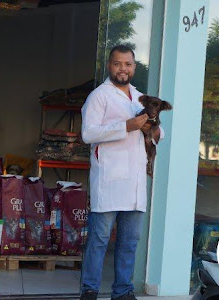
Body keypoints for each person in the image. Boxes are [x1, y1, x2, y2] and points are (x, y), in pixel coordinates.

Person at [80, 45, 164, 300]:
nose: (123, 69)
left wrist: (152, 128)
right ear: (109, 66)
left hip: (136, 180)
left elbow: (160, 135)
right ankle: (89, 290)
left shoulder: (141, 97)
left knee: (129, 242)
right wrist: (127, 126)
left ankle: (123, 291)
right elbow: (88, 133)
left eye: (127, 64)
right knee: (99, 240)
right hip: (109, 179)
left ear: (134, 67)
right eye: (118, 64)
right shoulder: (99, 96)